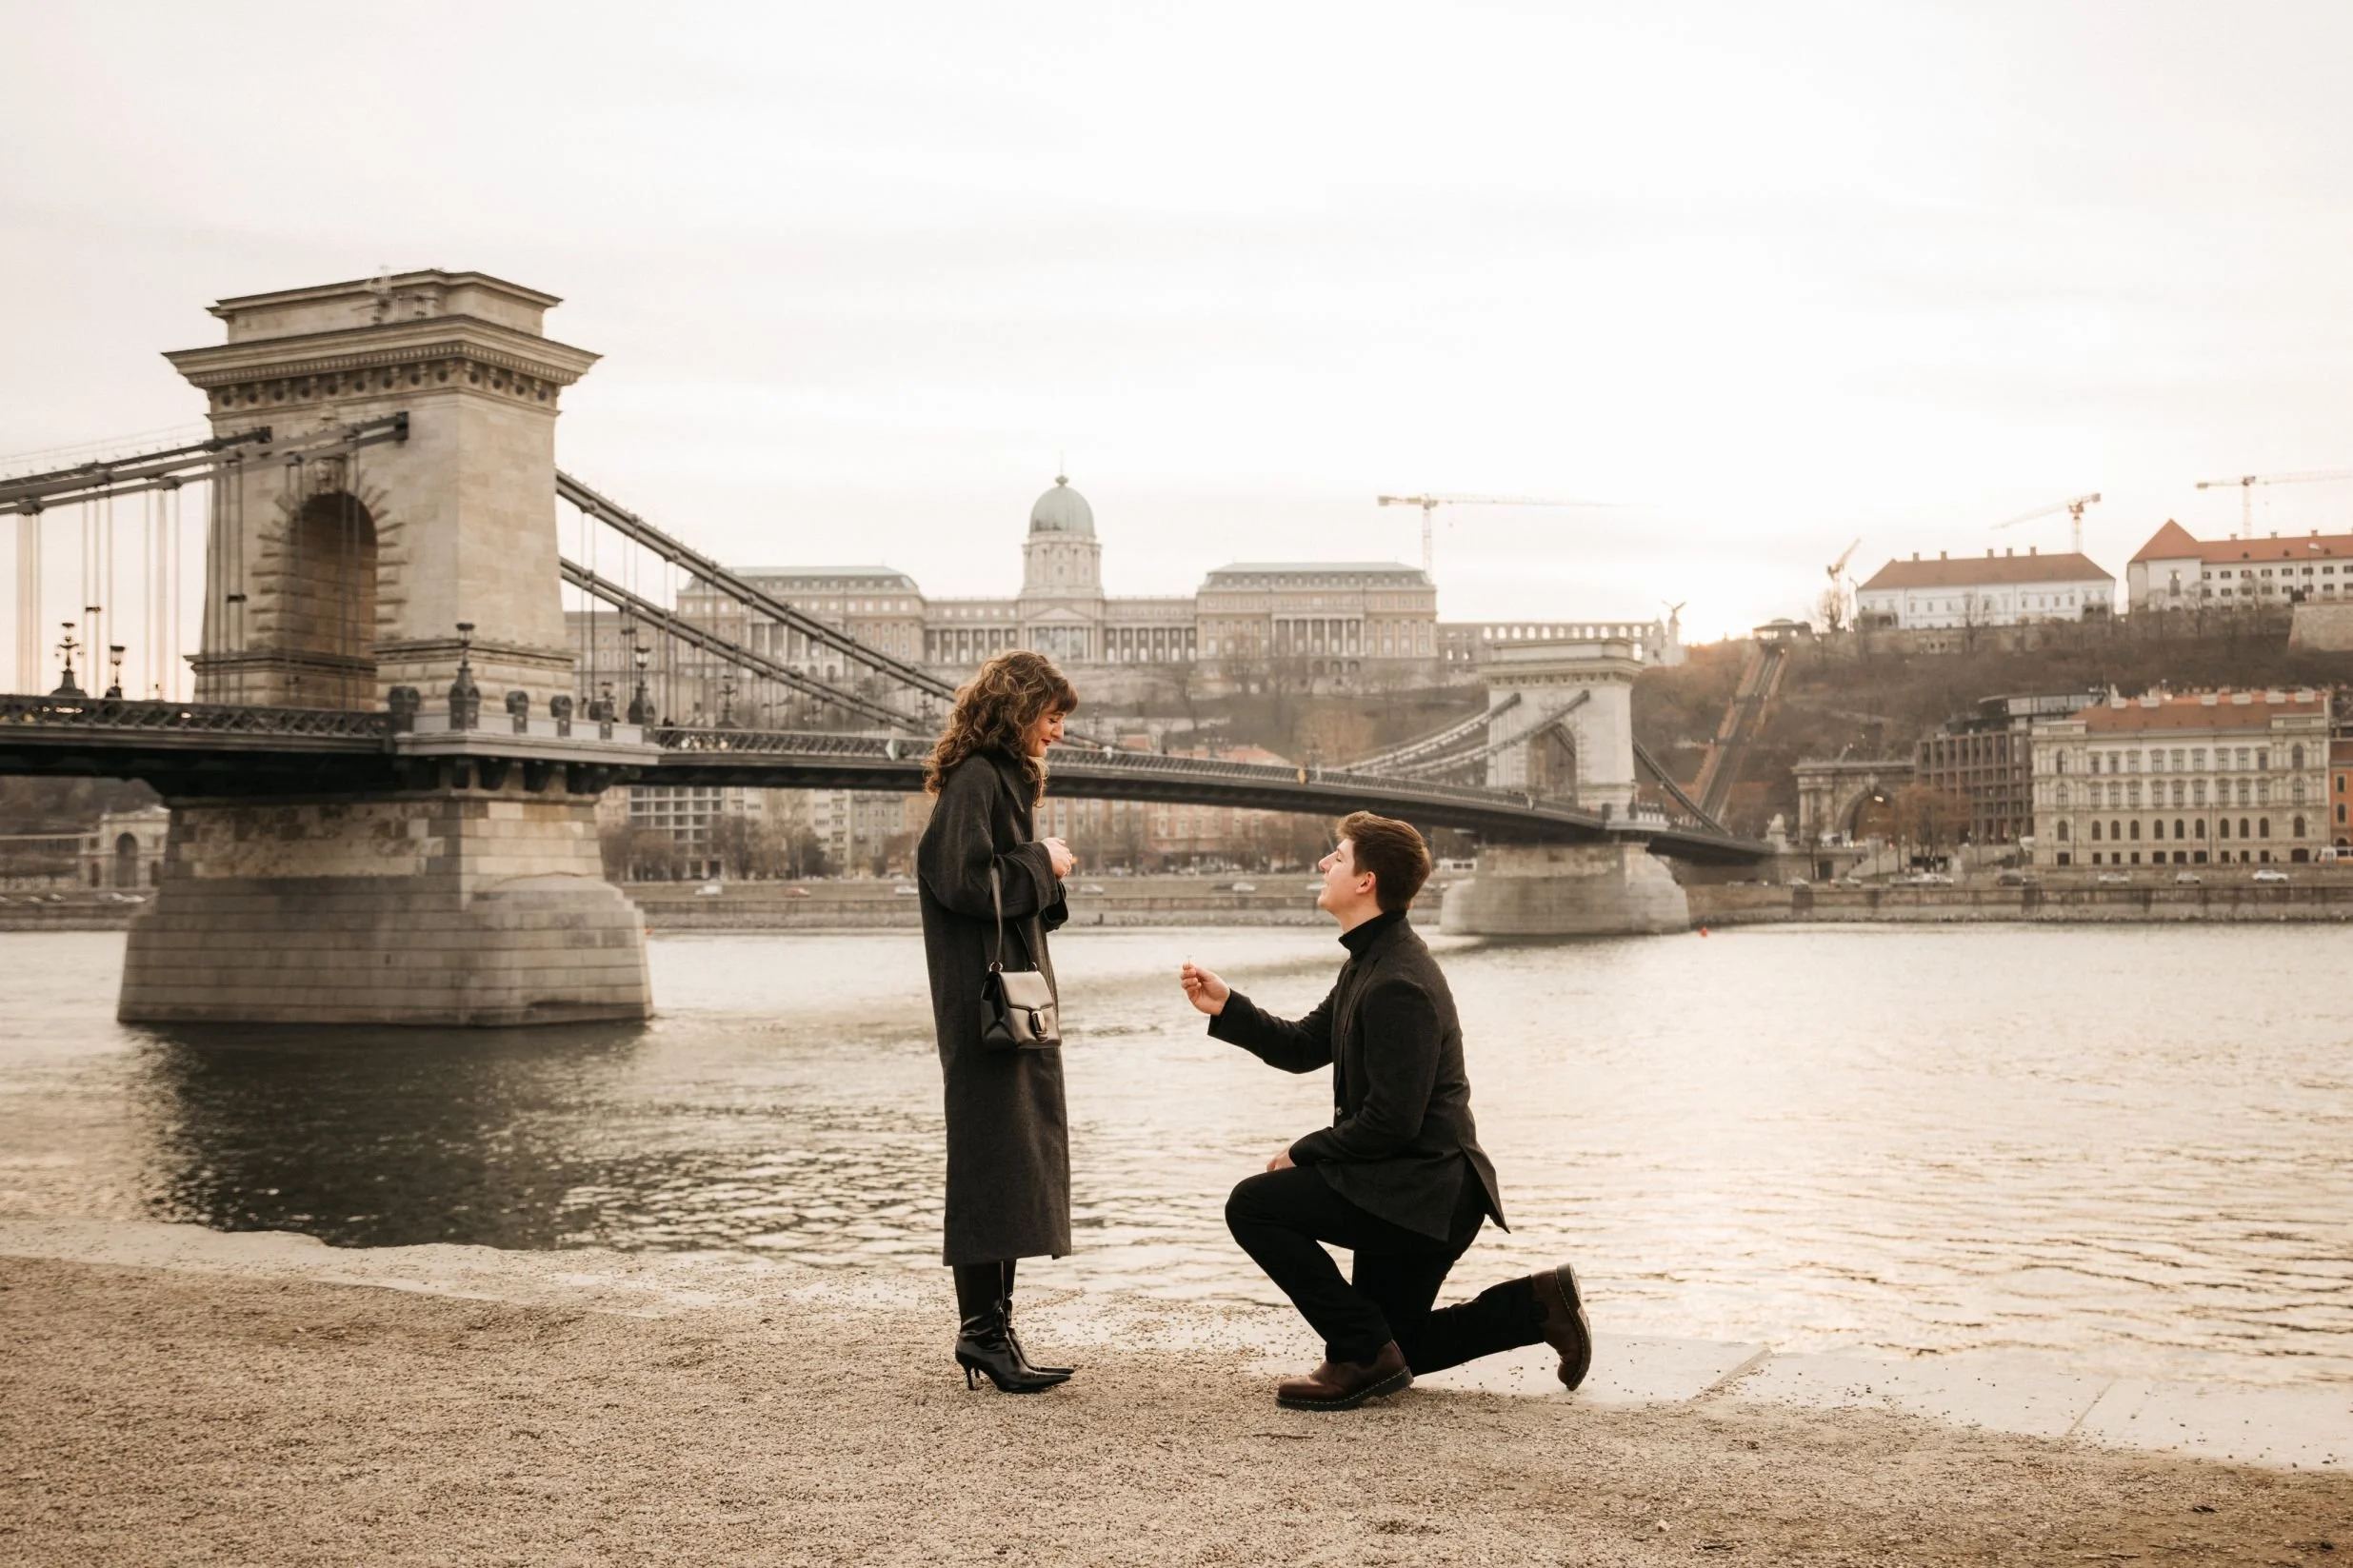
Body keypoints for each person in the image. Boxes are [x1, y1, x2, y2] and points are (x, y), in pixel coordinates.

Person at [1179, 812, 1591, 1411]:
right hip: (1403, 1184)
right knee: (1402, 1345)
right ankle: (1537, 1305)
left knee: (1254, 1206)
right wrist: (1228, 1007)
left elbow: (1392, 1121)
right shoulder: (1370, 960)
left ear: (1366, 881)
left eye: (1338, 857)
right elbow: (1301, 1047)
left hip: (1424, 1193)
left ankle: (1361, 1354)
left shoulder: (1398, 981)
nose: (1325, 865)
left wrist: (1302, 1151)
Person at [915, 650, 1081, 1394]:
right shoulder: (979, 778)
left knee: (1013, 1160)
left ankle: (994, 1328)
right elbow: (959, 880)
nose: (1057, 732)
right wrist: (1042, 861)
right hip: (985, 1012)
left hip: (1011, 1010)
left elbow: (993, 882)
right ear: (1019, 711)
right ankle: (981, 1332)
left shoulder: (998, 779)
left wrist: (1041, 869)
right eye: (1050, 717)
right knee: (992, 1160)